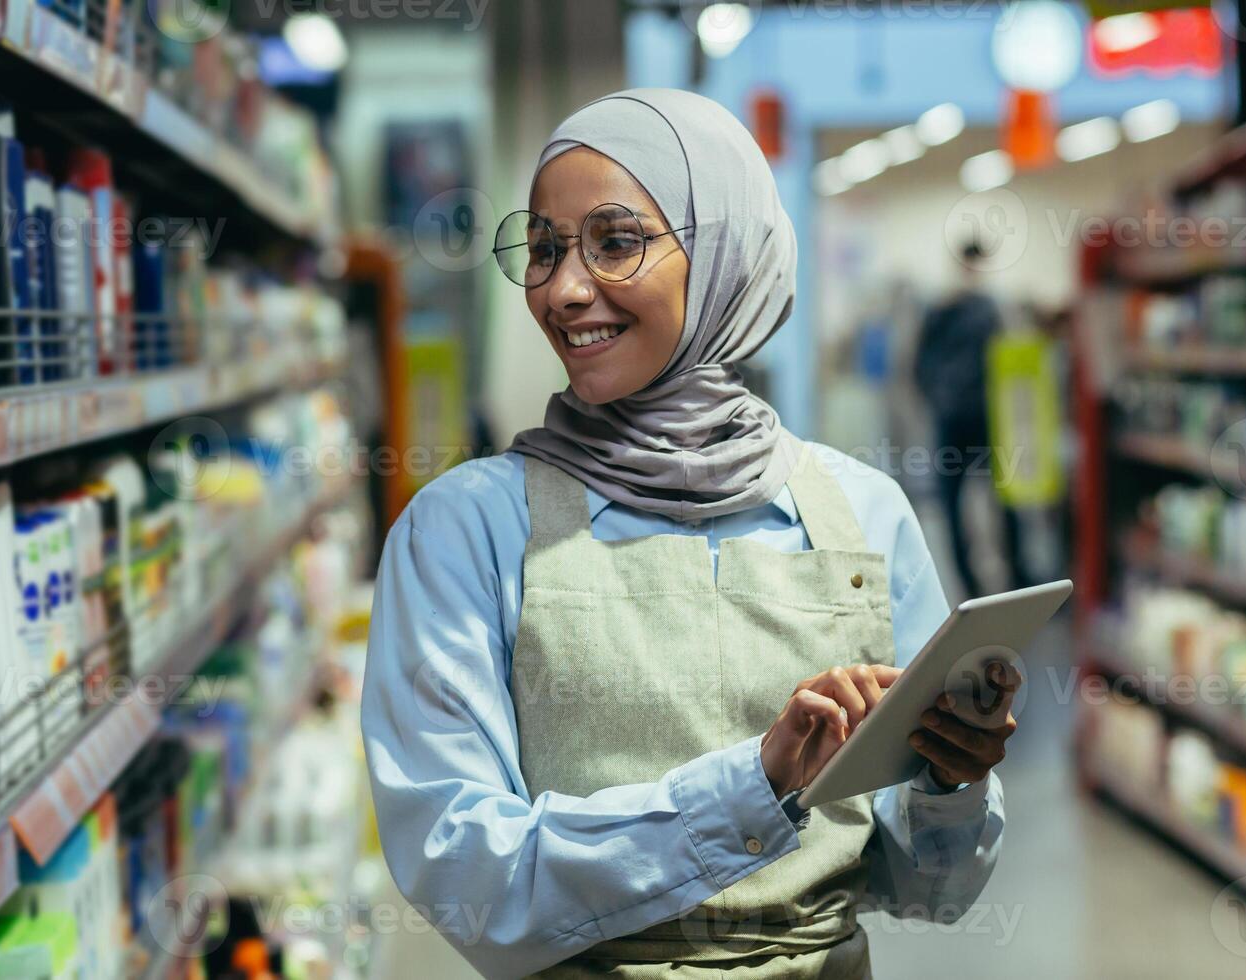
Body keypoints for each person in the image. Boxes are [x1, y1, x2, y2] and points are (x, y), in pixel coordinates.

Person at [361, 89, 1018, 979]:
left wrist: (953, 781)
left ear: (725, 258)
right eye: (545, 249)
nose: (562, 289)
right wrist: (751, 787)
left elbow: (925, 887)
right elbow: (466, 874)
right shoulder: (464, 530)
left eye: (616, 242)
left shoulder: (859, 514)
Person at [913, 241, 1034, 599]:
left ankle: (993, 582)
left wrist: (939, 400)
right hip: (977, 420)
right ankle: (1006, 581)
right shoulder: (978, 310)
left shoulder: (967, 309)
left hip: (973, 420)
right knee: (985, 504)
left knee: (989, 505)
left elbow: (920, 368)